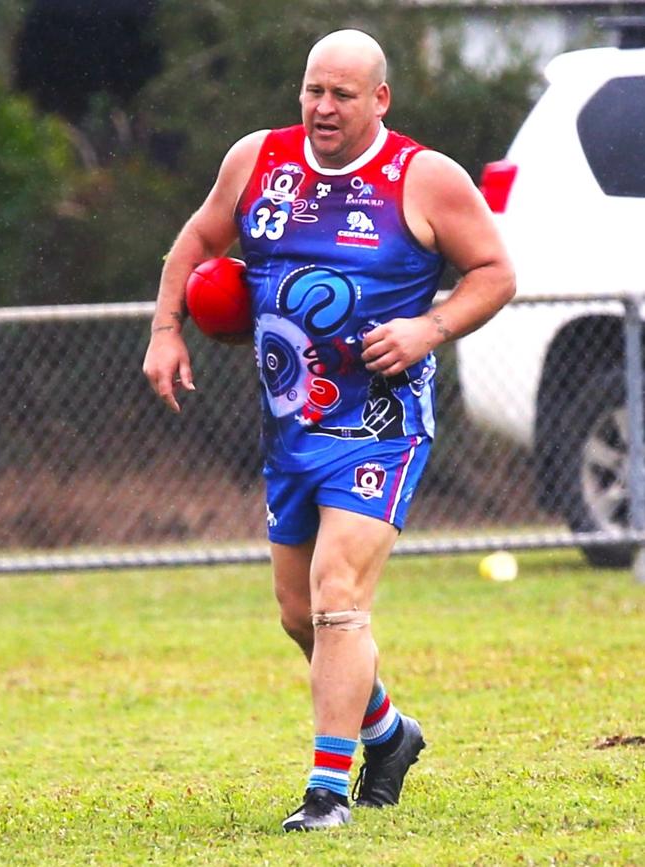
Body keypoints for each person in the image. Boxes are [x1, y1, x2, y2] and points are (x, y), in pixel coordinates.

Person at [143, 28, 515, 832]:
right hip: (292, 430)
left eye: (342, 94)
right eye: (314, 90)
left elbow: (495, 271)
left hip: (382, 426)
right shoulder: (257, 160)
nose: (323, 107)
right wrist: (166, 328)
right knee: (294, 612)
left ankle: (326, 791)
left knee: (338, 598)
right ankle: (389, 732)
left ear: (379, 99)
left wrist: (430, 328)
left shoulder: (423, 178)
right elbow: (201, 237)